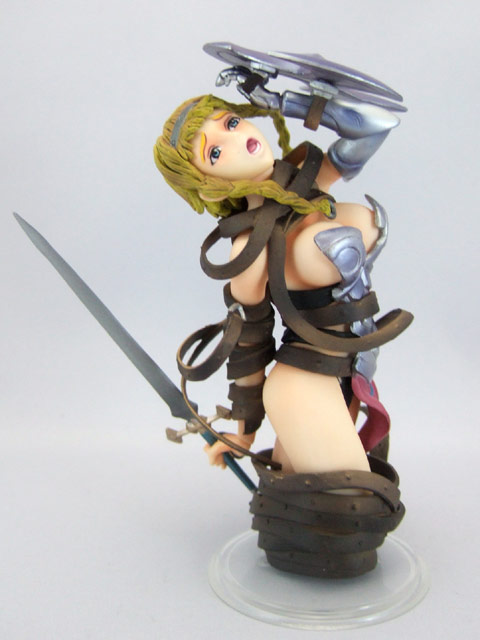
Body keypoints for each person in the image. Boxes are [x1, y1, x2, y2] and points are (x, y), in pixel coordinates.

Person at [154, 93, 411, 576]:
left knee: (310, 491)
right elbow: (249, 341)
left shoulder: (305, 182)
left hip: (348, 370)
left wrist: (286, 100)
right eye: (214, 152)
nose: (237, 139)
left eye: (231, 122)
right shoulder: (248, 249)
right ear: (208, 184)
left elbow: (374, 124)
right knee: (353, 503)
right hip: (304, 383)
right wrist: (244, 430)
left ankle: (296, 553)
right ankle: (313, 575)